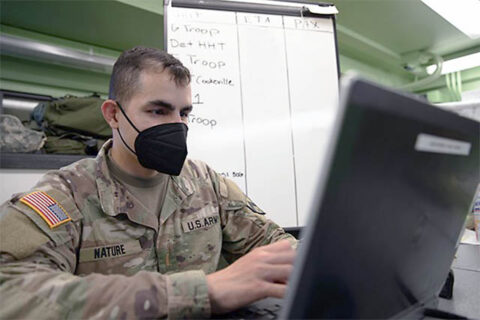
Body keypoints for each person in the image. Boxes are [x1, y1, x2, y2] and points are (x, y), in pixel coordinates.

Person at [0, 47, 296, 319]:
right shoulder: (66, 194)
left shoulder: (206, 182)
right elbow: (10, 289)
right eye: (159, 111)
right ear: (114, 115)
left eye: (184, 113)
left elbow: (276, 246)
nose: (177, 125)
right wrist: (202, 292)